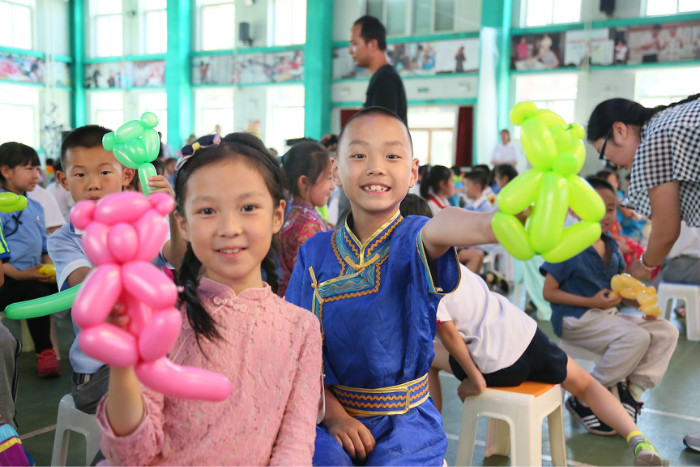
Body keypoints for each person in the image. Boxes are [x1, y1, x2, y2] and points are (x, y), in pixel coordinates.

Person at [285, 107, 498, 466]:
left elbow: (442, 226)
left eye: (392, 155)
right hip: (325, 416)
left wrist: (496, 224)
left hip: (406, 428)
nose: (376, 166)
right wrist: (334, 414)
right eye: (359, 155)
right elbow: (296, 352)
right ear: (336, 171)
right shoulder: (314, 252)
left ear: (413, 172)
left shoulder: (414, 237)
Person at [96, 134, 323, 465]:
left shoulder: (302, 328)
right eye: (207, 210)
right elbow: (130, 454)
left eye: (248, 207)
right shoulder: (163, 319)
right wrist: (123, 364)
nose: (229, 227)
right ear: (183, 224)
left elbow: (295, 444)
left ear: (277, 217)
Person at [399, 194, 663, 467]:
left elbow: (449, 334)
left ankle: (430, 445)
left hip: (496, 364)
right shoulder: (452, 259)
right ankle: (637, 439)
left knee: (428, 356)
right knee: (585, 384)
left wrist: (475, 378)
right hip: (526, 334)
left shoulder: (422, 275)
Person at [48, 125, 176, 414]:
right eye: (80, 174)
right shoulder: (63, 240)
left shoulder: (147, 222)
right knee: (162, 404)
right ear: (63, 180)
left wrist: (173, 215)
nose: (93, 183)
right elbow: (87, 281)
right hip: (97, 375)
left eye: (105, 172)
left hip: (155, 356)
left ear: (126, 175)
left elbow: (179, 258)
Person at [541, 177, 678, 434]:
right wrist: (591, 301)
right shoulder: (568, 244)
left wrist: (639, 304)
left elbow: (619, 291)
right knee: (636, 338)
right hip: (576, 319)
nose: (605, 215)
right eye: (597, 207)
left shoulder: (612, 246)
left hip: (607, 316)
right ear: (574, 210)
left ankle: (631, 394)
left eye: (612, 208)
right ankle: (584, 395)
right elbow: (549, 292)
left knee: (667, 331)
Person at [587, 94, 700, 280]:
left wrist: (643, 265)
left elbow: (666, 231)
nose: (612, 164)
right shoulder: (666, 124)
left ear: (620, 130)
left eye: (603, 153)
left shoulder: (655, 140)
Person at [0, 142, 59, 378]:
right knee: (37, 291)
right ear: (6, 171)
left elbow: (43, 246)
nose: (38, 175)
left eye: (38, 168)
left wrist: (50, 266)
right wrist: (29, 274)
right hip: (9, 280)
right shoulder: (1, 206)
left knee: (74, 285)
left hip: (34, 274)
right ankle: (45, 351)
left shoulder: (35, 206)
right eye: (29, 169)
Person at [279, 141, 334, 297]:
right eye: (328, 178)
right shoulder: (307, 225)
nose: (332, 186)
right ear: (304, 181)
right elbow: (316, 278)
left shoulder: (296, 214)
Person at [349, 16, 407, 124]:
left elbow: (380, 131)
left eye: (354, 44)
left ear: (373, 44)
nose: (350, 51)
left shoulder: (385, 79)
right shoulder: (382, 77)